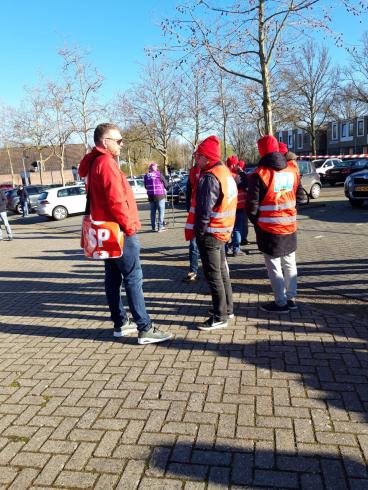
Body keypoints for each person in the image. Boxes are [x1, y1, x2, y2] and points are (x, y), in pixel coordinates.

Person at [78, 123, 171, 345]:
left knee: (112, 279)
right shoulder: (107, 163)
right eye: (118, 140)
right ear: (105, 142)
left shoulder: (93, 163)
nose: (122, 144)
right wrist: (129, 227)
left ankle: (121, 323)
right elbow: (116, 200)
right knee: (133, 278)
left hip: (105, 231)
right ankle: (145, 328)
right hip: (118, 230)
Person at [246, 135, 306, 314]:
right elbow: (298, 197)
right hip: (290, 226)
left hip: (269, 229)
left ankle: (280, 303)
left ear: (261, 151)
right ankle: (291, 298)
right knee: (290, 262)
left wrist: (257, 222)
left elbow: (251, 207)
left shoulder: (260, 174)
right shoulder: (292, 170)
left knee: (274, 266)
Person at [185, 135, 238, 330]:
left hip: (210, 233)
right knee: (222, 272)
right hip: (222, 231)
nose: (195, 159)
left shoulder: (209, 177)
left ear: (206, 158)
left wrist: (199, 233)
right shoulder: (224, 173)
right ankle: (227, 309)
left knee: (213, 275)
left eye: (197, 156)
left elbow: (204, 211)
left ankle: (219, 316)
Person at [225, 156, 248, 256]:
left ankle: (225, 249)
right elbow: (246, 184)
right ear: (234, 164)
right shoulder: (236, 176)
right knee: (237, 229)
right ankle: (236, 249)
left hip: (227, 207)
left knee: (227, 229)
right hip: (238, 206)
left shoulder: (224, 175)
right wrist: (241, 172)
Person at [183, 162, 201, 282]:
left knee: (209, 246)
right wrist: (189, 208)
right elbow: (189, 191)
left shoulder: (214, 170)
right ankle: (193, 270)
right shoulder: (192, 171)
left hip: (211, 214)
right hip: (195, 212)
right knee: (193, 244)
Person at [144, 162, 168, 232]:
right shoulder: (159, 174)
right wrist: (167, 187)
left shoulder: (146, 176)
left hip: (151, 196)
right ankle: (160, 227)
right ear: (155, 168)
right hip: (160, 195)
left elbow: (145, 186)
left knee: (152, 212)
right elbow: (166, 184)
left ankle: (154, 227)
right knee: (161, 211)